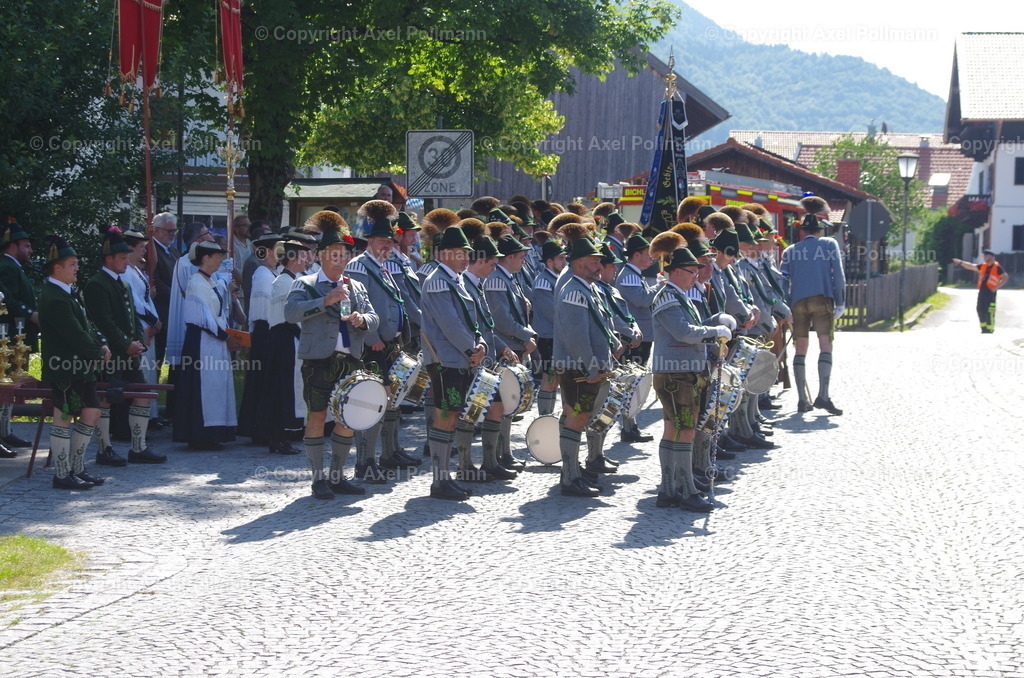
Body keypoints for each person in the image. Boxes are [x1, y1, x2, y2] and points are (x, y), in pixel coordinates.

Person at [285, 211, 379, 500]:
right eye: (334, 253)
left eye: (343, 253)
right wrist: (326, 300)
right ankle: (318, 479)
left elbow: (375, 318)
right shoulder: (305, 283)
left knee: (348, 418)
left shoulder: (357, 286)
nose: (339, 258)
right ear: (321, 255)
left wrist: (362, 321)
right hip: (319, 360)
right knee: (316, 416)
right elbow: (290, 314)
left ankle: (337, 476)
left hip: (350, 358)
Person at [649, 235, 725, 512]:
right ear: (677, 272)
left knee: (673, 429)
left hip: (681, 371)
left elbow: (691, 328)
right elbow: (682, 332)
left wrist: (714, 328)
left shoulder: (677, 295)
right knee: (685, 429)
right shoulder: (668, 296)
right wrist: (714, 332)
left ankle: (669, 489)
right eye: (692, 272)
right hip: (676, 374)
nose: (696, 276)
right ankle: (686, 490)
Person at [346, 200, 420, 479]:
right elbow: (354, 306)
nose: (387, 245)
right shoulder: (359, 266)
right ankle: (365, 462)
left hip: (391, 344)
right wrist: (372, 336)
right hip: (371, 346)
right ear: (370, 241)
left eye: (390, 241)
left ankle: (383, 454)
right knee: (370, 402)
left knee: (391, 398)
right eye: (381, 241)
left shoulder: (384, 267)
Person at [83, 228, 166, 466]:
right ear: (108, 259)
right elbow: (103, 322)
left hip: (130, 355)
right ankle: (104, 449)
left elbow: (132, 318)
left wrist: (138, 341)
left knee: (143, 395)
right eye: (121, 258)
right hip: (110, 356)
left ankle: (138, 447)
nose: (125, 262)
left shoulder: (124, 284)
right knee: (106, 399)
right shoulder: (96, 284)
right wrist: (124, 345)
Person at [419, 226, 487, 501]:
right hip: (446, 359)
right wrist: (473, 348)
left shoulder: (455, 278)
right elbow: (450, 324)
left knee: (451, 415)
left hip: (459, 357)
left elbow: (471, 319)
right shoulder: (437, 280)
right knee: (445, 417)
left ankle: (444, 478)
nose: (466, 257)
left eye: (467, 252)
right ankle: (439, 480)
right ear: (445, 253)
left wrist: (480, 342)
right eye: (460, 252)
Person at [38, 233, 110, 489]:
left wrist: (99, 345)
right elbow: (73, 333)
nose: (77, 269)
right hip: (64, 368)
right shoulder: (54, 296)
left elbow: (86, 326)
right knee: (64, 416)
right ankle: (61, 474)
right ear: (57, 268)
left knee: (91, 412)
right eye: (72, 265)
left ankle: (75, 468)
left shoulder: (67, 293)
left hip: (80, 367)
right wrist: (98, 352)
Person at [553, 237, 622, 497]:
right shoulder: (573, 290)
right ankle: (570, 477)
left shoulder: (586, 287)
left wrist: (612, 342)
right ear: (579, 263)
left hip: (586, 366)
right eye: (594, 262)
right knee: (576, 417)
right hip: (577, 367)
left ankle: (574, 471)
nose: (599, 265)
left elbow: (598, 323)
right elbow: (576, 337)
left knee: (580, 417)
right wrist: (592, 367)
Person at [780, 196, 846, 415]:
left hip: (797, 303)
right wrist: (841, 302)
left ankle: (801, 400)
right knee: (825, 343)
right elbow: (838, 276)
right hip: (822, 299)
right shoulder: (829, 245)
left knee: (800, 348)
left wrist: (785, 306)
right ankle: (823, 396)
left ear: (801, 231)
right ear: (819, 230)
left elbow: (783, 280)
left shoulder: (790, 251)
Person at [172, 240, 242, 450]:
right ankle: (201, 433)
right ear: (206, 258)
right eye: (218, 256)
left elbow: (219, 311)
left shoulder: (212, 282)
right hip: (202, 341)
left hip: (215, 340)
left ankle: (216, 432)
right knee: (205, 386)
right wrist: (225, 336)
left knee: (217, 385)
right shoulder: (196, 282)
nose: (221, 259)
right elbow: (203, 317)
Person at [461, 235, 519, 481]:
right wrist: (473, 351)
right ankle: (464, 465)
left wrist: (503, 347)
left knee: (496, 407)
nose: (495, 268)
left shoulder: (478, 284)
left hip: (488, 357)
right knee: (470, 411)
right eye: (493, 264)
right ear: (480, 261)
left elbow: (488, 325)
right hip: (471, 358)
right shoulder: (463, 283)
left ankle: (490, 462)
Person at [485, 234, 538, 469]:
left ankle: (504, 452)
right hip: (505, 347)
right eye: (520, 257)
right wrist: (527, 336)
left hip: (515, 345)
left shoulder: (509, 278)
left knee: (508, 404)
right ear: (508, 258)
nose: (523, 262)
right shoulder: (497, 280)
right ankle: (500, 454)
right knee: (503, 403)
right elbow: (501, 321)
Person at [266, 232, 317, 454]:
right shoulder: (284, 282)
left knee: (290, 387)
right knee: (282, 387)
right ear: (294, 257)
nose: (308, 258)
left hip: (291, 337)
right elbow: (290, 316)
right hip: (283, 339)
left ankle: (285, 433)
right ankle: (278, 436)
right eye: (304, 254)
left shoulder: (293, 280)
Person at [237, 231, 282, 449]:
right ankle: (259, 429)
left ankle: (264, 427)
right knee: (263, 380)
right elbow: (264, 309)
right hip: (266, 329)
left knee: (268, 379)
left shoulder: (273, 272)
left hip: (271, 329)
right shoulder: (263, 274)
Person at [0, 219, 39, 453]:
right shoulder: (6, 266)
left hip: (16, 336)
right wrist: (31, 314)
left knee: (9, 387)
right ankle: (2, 433)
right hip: (10, 335)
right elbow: (8, 300)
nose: (30, 250)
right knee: (4, 384)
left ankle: (5, 431)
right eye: (26, 245)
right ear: (12, 246)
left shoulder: (13, 266)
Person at [615, 233, 657, 443]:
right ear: (637, 254)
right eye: (648, 253)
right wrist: (661, 287)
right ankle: (628, 425)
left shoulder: (635, 273)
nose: (652, 258)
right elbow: (642, 300)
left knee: (635, 379)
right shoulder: (629, 275)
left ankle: (630, 424)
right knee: (631, 380)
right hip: (636, 336)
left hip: (642, 334)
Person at [122, 228, 163, 426]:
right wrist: (152, 320)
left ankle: (150, 414)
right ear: (129, 249)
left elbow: (146, 298)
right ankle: (141, 417)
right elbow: (135, 302)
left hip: (148, 324)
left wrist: (155, 319)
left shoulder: (136, 270)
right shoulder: (126, 274)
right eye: (141, 248)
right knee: (143, 370)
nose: (144, 251)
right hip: (140, 324)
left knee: (150, 369)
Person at [531, 240, 567, 415]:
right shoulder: (543, 281)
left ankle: (549, 416)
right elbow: (551, 312)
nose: (564, 262)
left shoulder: (559, 279)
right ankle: (544, 417)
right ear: (549, 261)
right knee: (550, 377)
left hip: (557, 335)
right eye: (560, 258)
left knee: (557, 378)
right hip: (548, 336)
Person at [953, 250, 1008, 333]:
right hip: (982, 291)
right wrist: (961, 262)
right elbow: (971, 266)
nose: (985, 257)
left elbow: (1005, 277)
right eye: (984, 256)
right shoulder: (983, 266)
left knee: (989, 310)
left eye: (986, 256)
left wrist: (996, 287)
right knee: (980, 309)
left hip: (990, 292)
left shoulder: (997, 267)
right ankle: (983, 328)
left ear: (991, 257)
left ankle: (990, 328)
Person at [150, 212, 179, 369]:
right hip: (161, 309)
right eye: (169, 231)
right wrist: (177, 296)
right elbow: (155, 280)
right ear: (156, 230)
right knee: (158, 354)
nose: (173, 234)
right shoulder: (151, 251)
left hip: (173, 310)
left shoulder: (173, 251)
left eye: (175, 230)